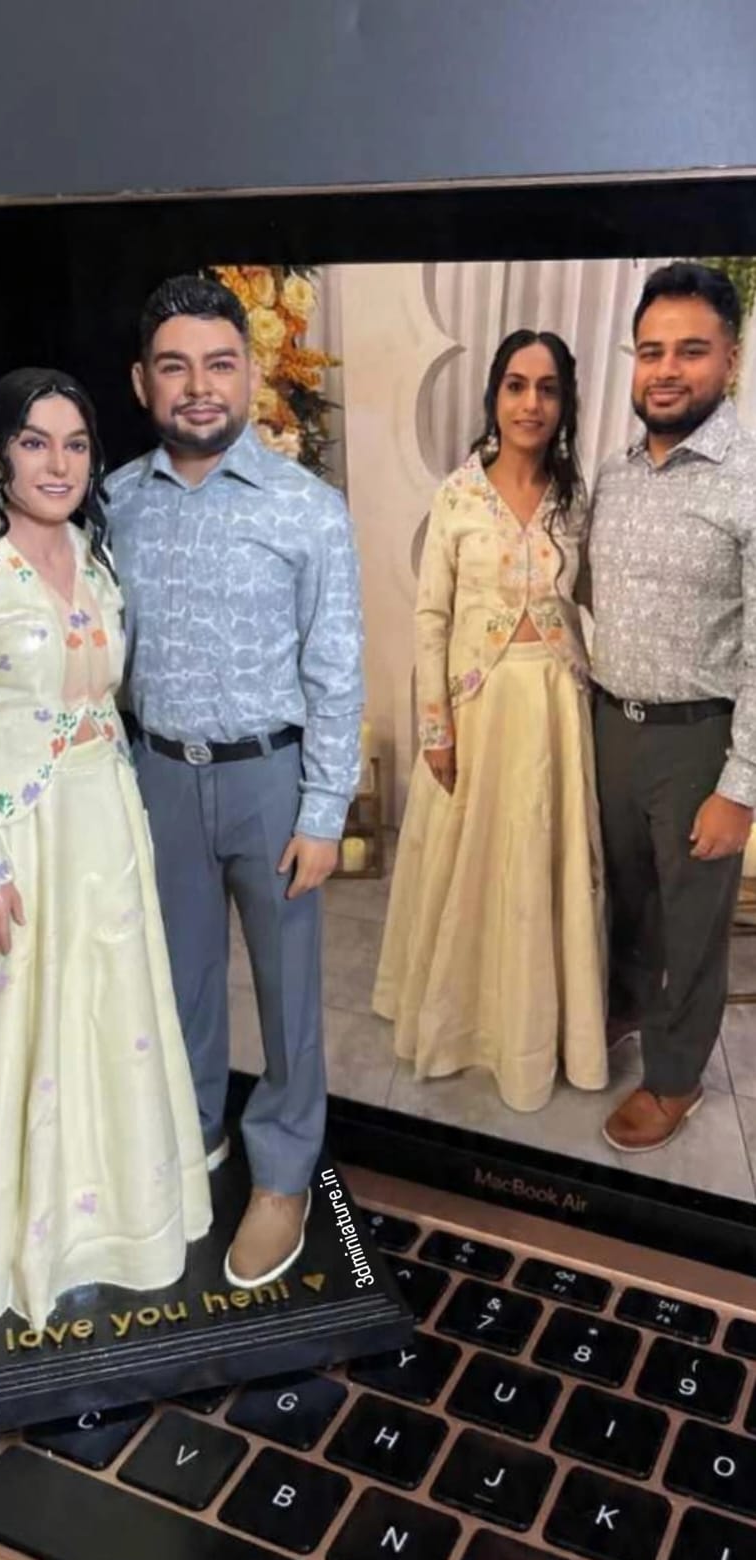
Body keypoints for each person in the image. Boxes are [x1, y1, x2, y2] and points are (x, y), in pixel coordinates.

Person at [0, 368, 211, 1330]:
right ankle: (16, 1245)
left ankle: (108, 1225)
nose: (58, 463)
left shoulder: (93, 553)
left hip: (99, 829)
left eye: (75, 444)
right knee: (16, 1035)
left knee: (107, 1019)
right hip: (14, 838)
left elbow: (105, 700)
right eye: (35, 442)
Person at [106, 275, 363, 1290]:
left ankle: (283, 1172)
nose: (198, 386)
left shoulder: (306, 509)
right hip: (157, 775)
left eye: (219, 364)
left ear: (251, 374)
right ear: (142, 383)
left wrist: (323, 810)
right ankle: (192, 1138)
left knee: (288, 992)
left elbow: (336, 668)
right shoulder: (113, 503)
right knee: (176, 983)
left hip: (271, 782)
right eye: (174, 366)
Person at [373, 330, 607, 1112]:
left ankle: (539, 1032)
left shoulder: (574, 500)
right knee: (469, 868)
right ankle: (462, 1025)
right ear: (494, 396)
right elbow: (430, 615)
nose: (530, 403)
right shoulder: (458, 495)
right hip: (477, 709)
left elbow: (594, 601)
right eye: (515, 385)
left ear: (564, 403)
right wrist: (434, 730)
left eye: (547, 388)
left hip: (556, 709)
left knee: (543, 866)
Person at [590, 262, 756, 1153]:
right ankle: (623, 1006)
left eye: (689, 350)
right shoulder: (613, 475)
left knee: (690, 922)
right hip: (608, 724)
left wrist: (740, 787)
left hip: (698, 739)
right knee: (626, 897)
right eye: (649, 350)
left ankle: (675, 1076)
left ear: (729, 359)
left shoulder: (748, 479)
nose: (665, 369)